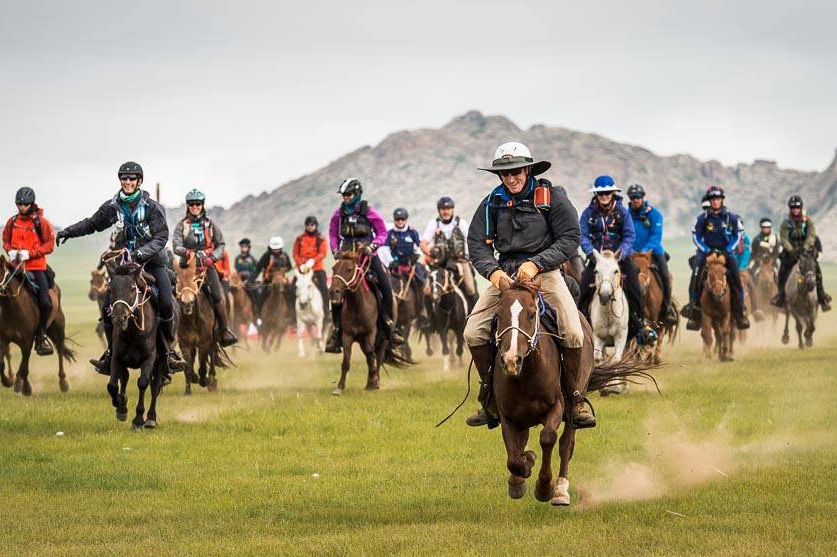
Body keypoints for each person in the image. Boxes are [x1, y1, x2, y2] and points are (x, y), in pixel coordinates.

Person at [464, 141, 594, 429]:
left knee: (573, 331)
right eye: (505, 174)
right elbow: (477, 244)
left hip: (545, 274)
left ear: (527, 169)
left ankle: (575, 400)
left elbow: (570, 236)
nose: (511, 178)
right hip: (506, 278)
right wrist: (494, 272)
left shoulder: (551, 197)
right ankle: (490, 398)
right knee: (472, 332)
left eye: (516, 171)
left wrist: (537, 263)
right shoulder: (492, 202)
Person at [55, 161, 185, 375]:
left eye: (131, 178)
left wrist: (140, 253)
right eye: (124, 178)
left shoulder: (152, 207)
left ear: (139, 181)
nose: (127, 182)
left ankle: (168, 354)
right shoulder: (114, 206)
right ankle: (110, 353)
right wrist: (69, 231)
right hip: (126, 268)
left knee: (166, 304)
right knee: (108, 309)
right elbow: (92, 224)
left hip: (153, 263)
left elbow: (162, 236)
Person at [324, 178, 403, 353]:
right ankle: (336, 331)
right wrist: (335, 250)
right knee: (335, 289)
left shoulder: (370, 212)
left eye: (348, 194)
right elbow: (333, 234)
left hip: (367, 256)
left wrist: (373, 246)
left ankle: (390, 325)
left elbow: (382, 233)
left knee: (385, 286)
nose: (345, 198)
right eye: (343, 195)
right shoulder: (339, 214)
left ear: (357, 194)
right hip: (346, 258)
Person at [579, 176, 649, 343]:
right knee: (583, 285)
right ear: (596, 194)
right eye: (601, 193)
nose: (604, 196)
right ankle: (581, 325)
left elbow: (629, 236)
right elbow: (583, 236)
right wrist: (591, 254)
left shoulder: (622, 212)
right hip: (597, 260)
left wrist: (621, 254)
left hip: (619, 260)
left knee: (634, 284)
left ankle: (639, 324)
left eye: (607, 192)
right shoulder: (588, 213)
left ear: (612, 193)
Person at [171, 189, 238, 347]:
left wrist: (213, 258)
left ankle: (224, 330)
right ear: (188, 206)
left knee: (217, 295)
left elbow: (221, 244)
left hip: (207, 267)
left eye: (198, 204)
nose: (195, 207)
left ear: (202, 205)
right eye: (192, 204)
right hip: (186, 269)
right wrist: (186, 251)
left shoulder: (211, 224)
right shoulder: (182, 226)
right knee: (172, 295)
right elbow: (176, 245)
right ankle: (171, 335)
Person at [682, 185, 750, 330]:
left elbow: (738, 235)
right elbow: (696, 236)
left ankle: (740, 313)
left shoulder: (730, 217)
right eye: (712, 199)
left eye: (718, 199)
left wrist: (727, 250)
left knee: (737, 279)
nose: (715, 202)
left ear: (722, 200)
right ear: (710, 201)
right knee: (695, 277)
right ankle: (694, 311)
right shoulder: (703, 218)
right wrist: (706, 250)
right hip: (706, 254)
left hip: (727, 253)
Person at [2, 187, 56, 356]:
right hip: (14, 266)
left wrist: (31, 253)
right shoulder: (12, 221)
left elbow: (49, 245)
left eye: (26, 204)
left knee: (46, 303)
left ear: (31, 203)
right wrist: (9, 250)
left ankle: (40, 335)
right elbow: (5, 240)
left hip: (36, 266)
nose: (23, 207)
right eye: (20, 204)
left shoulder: (42, 223)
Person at [626, 184, 678, 326]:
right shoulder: (625, 215)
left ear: (643, 197)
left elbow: (656, 236)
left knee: (666, 276)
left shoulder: (654, 214)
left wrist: (645, 250)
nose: (635, 200)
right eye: (632, 197)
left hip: (653, 252)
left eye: (638, 197)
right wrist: (630, 250)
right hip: (631, 254)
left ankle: (667, 307)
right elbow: (623, 235)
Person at [772, 195, 831, 311]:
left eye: (797, 207)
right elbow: (784, 239)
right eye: (793, 208)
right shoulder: (785, 223)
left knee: (817, 271)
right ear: (790, 209)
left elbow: (811, 235)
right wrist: (791, 250)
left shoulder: (808, 222)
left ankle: (822, 297)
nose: (795, 210)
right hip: (791, 253)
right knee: (782, 272)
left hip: (806, 253)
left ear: (801, 208)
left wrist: (805, 247)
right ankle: (781, 296)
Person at [420, 197, 478, 310]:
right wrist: (430, 252)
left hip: (460, 262)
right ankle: (428, 321)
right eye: (443, 209)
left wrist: (470, 254)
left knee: (470, 289)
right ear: (439, 210)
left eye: (448, 209)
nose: (446, 211)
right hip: (440, 265)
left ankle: (476, 318)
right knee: (427, 290)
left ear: (452, 210)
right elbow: (423, 244)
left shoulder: (461, 223)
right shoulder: (433, 224)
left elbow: (473, 239)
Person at [292, 216, 330, 316]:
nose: (310, 227)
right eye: (308, 225)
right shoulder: (299, 239)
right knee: (291, 288)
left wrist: (313, 261)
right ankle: (291, 316)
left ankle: (327, 313)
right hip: (302, 270)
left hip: (317, 268)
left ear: (316, 225)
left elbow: (323, 253)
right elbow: (295, 253)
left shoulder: (321, 239)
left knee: (324, 289)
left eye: (312, 225)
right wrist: (300, 264)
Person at [254, 235, 295, 321]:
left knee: (291, 294)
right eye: (274, 249)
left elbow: (289, 267)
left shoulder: (285, 256)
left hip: (282, 281)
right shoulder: (266, 256)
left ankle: (291, 316)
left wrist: (281, 272)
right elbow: (258, 267)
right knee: (260, 295)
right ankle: (258, 316)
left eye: (278, 249)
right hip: (268, 281)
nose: (276, 250)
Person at [733, 218, 762, 320]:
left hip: (741, 269)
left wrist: (740, 267)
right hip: (729, 267)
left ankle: (755, 309)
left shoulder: (745, 239)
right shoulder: (727, 238)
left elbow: (746, 255)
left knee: (752, 287)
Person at [234, 238, 261, 315]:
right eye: (242, 246)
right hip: (239, 282)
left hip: (250, 282)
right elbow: (237, 269)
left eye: (245, 246)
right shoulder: (237, 259)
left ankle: (257, 313)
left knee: (258, 294)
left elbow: (257, 271)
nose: (243, 248)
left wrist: (250, 277)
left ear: (249, 247)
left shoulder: (253, 259)